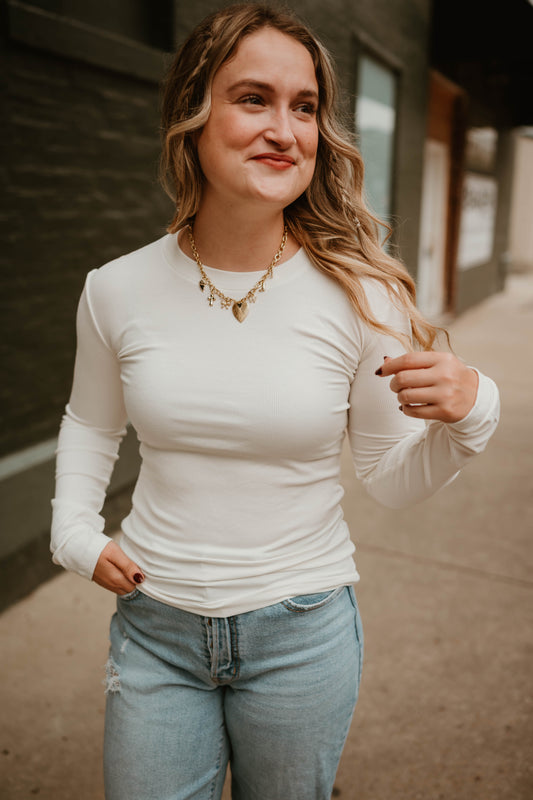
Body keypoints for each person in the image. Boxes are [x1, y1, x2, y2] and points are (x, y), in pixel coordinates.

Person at [50, 4, 500, 799]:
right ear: (194, 113)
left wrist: (472, 414)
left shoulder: (363, 296)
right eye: (252, 98)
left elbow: (391, 477)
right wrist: (72, 533)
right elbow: (91, 421)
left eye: (304, 108)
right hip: (156, 626)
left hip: (302, 631)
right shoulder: (115, 287)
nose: (284, 130)